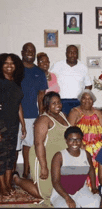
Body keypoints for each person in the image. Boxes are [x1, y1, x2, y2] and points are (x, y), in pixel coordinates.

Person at [13, 92, 71, 205]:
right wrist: (44, 166)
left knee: (58, 188)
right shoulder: (43, 119)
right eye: (53, 103)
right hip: (43, 156)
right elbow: (38, 144)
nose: (57, 105)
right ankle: (17, 180)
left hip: (59, 159)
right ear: (47, 104)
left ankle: (33, 182)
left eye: (59, 102)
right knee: (45, 193)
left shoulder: (63, 115)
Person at [67, 89, 102, 188]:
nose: (87, 101)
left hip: (98, 144)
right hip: (81, 145)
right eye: (84, 98)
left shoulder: (97, 112)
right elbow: (69, 132)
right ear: (80, 100)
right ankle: (88, 186)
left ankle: (101, 184)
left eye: (90, 99)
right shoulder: (75, 112)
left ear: (93, 101)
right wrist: (79, 145)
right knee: (89, 155)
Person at [16, 42, 48, 179]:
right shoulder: (15, 69)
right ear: (22, 52)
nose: (30, 52)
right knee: (14, 146)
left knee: (28, 144)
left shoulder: (39, 73)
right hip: (13, 115)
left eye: (32, 51)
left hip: (31, 113)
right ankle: (12, 171)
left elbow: (41, 96)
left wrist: (41, 115)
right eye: (27, 50)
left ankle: (25, 170)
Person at [50, 126, 100, 208]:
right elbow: (55, 181)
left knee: (94, 203)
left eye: (78, 139)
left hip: (80, 190)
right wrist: (67, 198)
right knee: (69, 206)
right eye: (71, 139)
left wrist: (94, 187)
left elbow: (91, 170)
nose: (75, 142)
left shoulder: (86, 154)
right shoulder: (59, 156)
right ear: (66, 140)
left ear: (81, 140)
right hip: (61, 193)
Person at [0, 53, 26, 197]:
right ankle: (2, 185)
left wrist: (23, 124)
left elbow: (18, 105)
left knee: (11, 156)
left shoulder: (16, 82)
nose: (9, 66)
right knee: (1, 157)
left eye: (12, 63)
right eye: (5, 63)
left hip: (14, 125)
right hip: (2, 125)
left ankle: (9, 182)